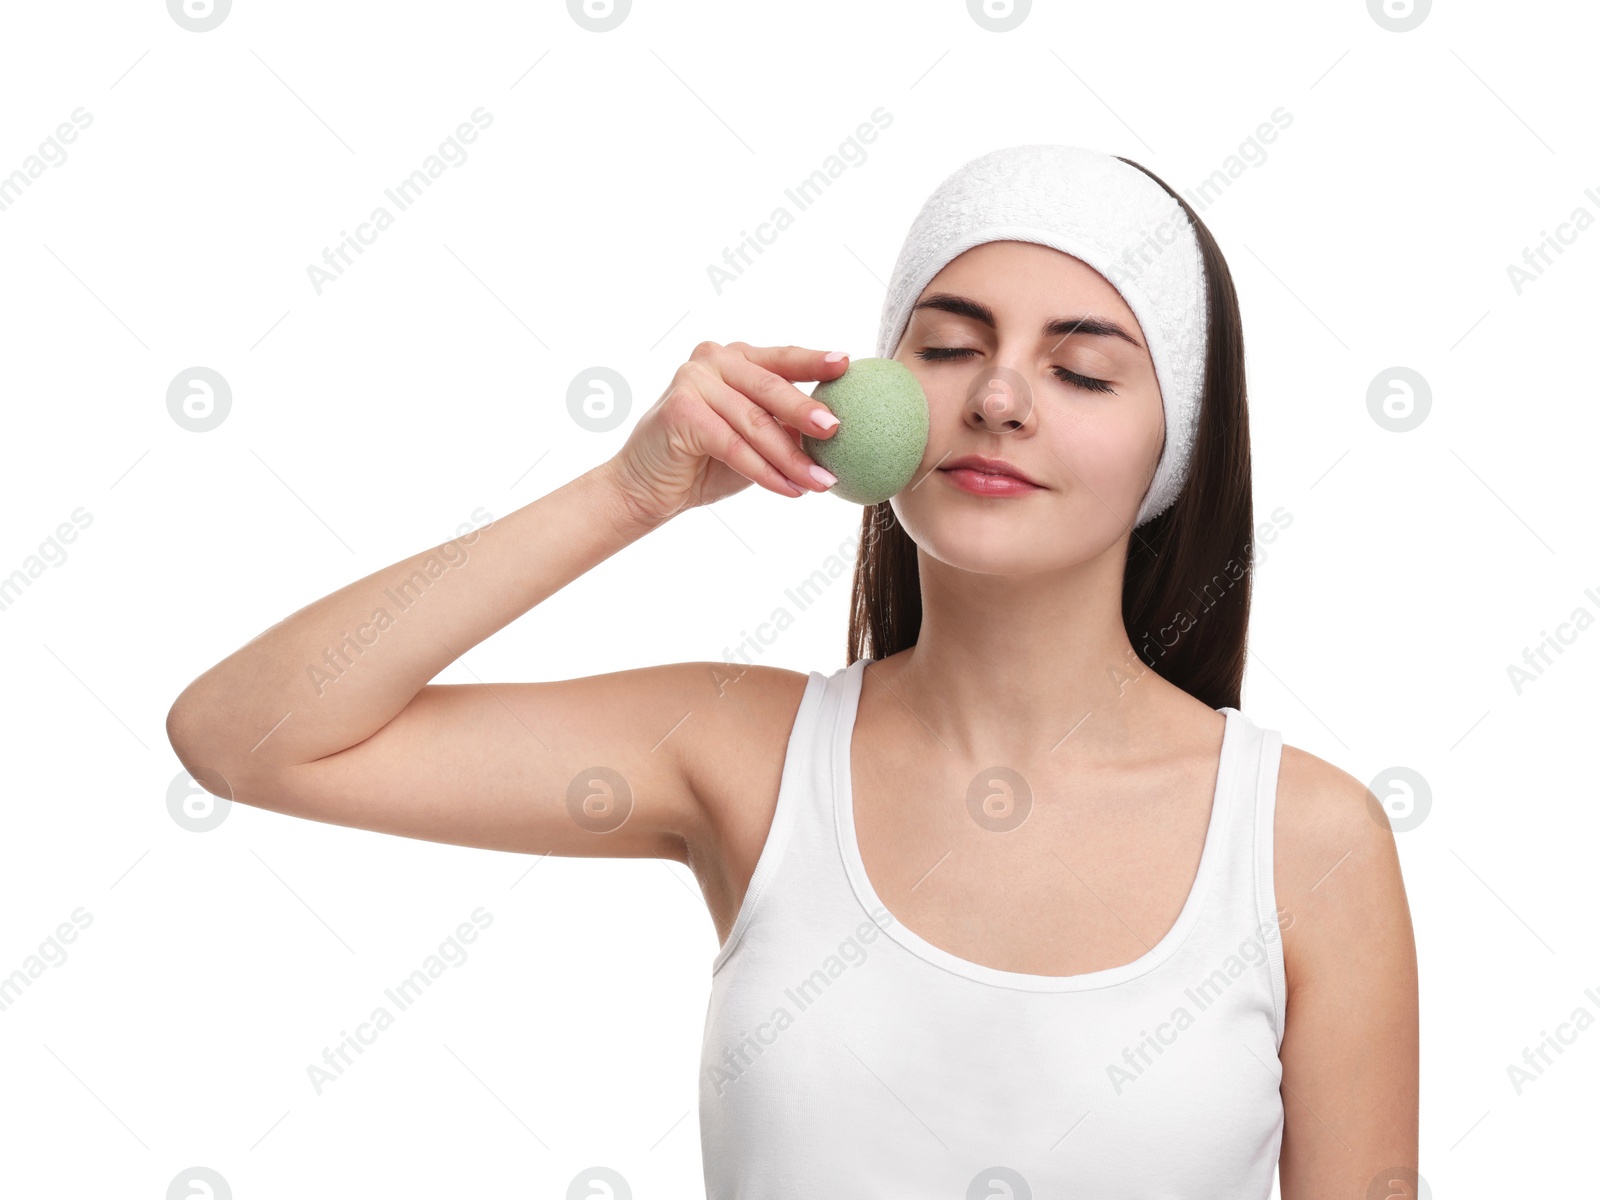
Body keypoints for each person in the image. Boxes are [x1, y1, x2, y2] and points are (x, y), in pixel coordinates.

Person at [167, 145, 1418, 1198]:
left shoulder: (1306, 840)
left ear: (1175, 449)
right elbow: (248, 736)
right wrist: (631, 492)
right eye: (943, 348)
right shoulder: (738, 752)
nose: (997, 396)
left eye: (1082, 370)